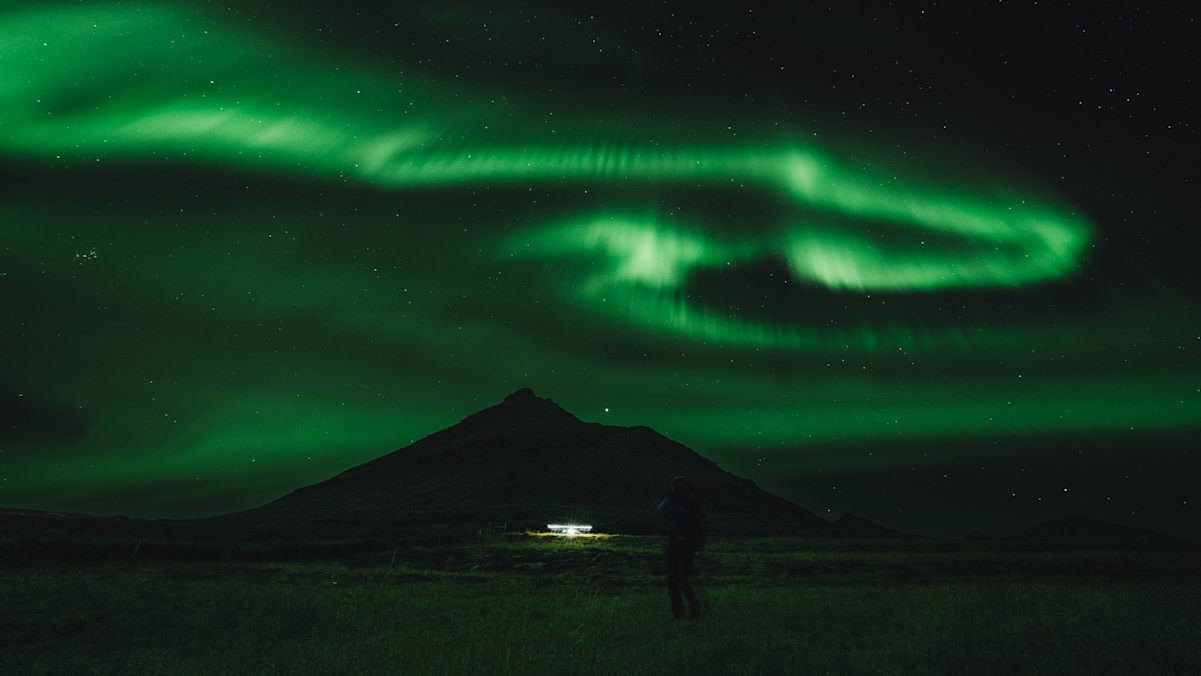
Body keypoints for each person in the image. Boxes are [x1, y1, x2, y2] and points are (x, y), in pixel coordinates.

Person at [651, 475, 706, 619]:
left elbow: (658, 515)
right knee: (683, 579)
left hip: (676, 542)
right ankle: (694, 610)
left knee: (673, 579)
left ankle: (679, 612)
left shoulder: (671, 501)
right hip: (688, 544)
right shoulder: (692, 502)